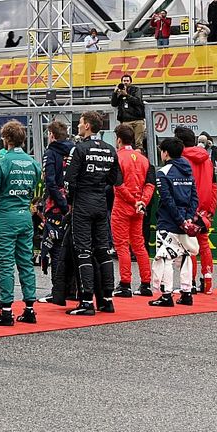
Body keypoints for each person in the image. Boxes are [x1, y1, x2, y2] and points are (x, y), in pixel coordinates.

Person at [63, 110, 123, 316]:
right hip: (100, 203)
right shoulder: (109, 149)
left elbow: (69, 180)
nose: (78, 126)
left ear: (87, 125)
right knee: (103, 250)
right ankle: (107, 299)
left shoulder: (79, 149)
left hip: (83, 202)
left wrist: (71, 201)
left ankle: (87, 301)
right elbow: (116, 180)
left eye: (80, 123)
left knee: (83, 251)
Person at [0, 121, 41, 326]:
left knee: (5, 263)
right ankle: (29, 309)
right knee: (25, 262)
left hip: (6, 216)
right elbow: (37, 191)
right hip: (25, 215)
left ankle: (6, 310)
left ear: (5, 139)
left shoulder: (2, 161)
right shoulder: (33, 162)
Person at [149, 137, 199, 307]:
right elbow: (194, 197)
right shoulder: (188, 170)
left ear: (166, 153)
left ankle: (166, 295)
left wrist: (179, 220)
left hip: (168, 221)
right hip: (186, 220)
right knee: (185, 256)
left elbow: (167, 200)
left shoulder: (163, 172)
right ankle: (186, 293)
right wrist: (188, 219)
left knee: (164, 258)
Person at [110, 124, 155, 298]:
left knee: (121, 246)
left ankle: (125, 284)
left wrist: (133, 201)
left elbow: (118, 184)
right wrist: (142, 202)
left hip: (122, 206)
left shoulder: (117, 157)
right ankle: (146, 284)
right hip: (139, 209)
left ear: (119, 140)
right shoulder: (144, 159)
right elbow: (150, 184)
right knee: (139, 245)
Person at [174, 126, 217, 294]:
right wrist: (211, 209)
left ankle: (189, 283)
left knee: (188, 245)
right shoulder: (208, 159)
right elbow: (214, 186)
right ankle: (207, 281)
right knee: (203, 243)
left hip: (187, 207)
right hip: (205, 208)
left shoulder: (181, 159)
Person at [37, 120, 75, 305]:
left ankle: (57, 290)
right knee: (73, 247)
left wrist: (61, 203)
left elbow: (50, 182)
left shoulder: (51, 152)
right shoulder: (75, 149)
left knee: (55, 247)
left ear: (51, 134)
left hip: (56, 207)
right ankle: (72, 289)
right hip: (74, 204)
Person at [110, 74, 146, 149]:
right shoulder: (119, 92)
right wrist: (115, 92)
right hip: (126, 120)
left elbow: (138, 101)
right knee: (127, 141)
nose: (125, 82)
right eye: (124, 81)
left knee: (138, 143)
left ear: (131, 82)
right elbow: (114, 104)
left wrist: (126, 95)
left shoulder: (136, 89)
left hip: (137, 119)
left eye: (127, 81)